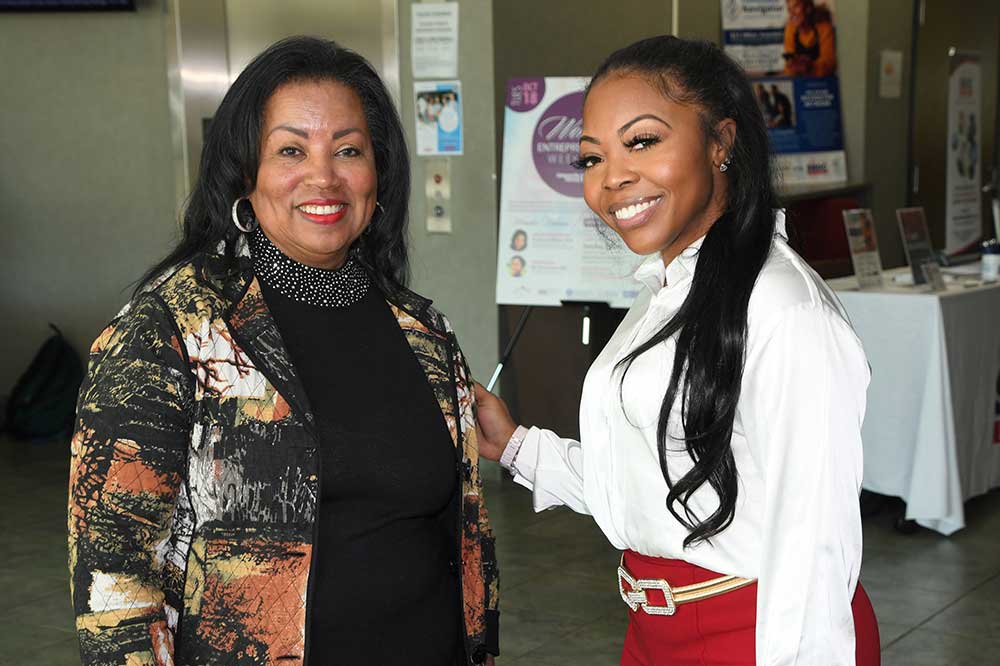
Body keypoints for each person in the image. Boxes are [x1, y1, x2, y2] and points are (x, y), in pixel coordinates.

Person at [68, 36, 498, 666]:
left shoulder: (423, 329)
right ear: (247, 174)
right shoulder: (169, 329)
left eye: (348, 150)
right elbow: (114, 582)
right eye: (291, 149)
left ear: (379, 175)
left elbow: (461, 539)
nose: (323, 177)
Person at [475, 36, 878, 665]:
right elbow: (654, 476)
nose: (613, 179)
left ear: (721, 142)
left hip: (752, 636)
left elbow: (814, 547)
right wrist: (518, 447)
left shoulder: (784, 309)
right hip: (653, 633)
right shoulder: (667, 288)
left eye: (642, 142)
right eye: (591, 158)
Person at [783, 0, 837, 77]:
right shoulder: (790, 29)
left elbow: (829, 65)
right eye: (789, 9)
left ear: (808, 8)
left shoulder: (824, 29)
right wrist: (795, 67)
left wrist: (809, 66)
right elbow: (788, 67)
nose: (791, 13)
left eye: (796, 7)